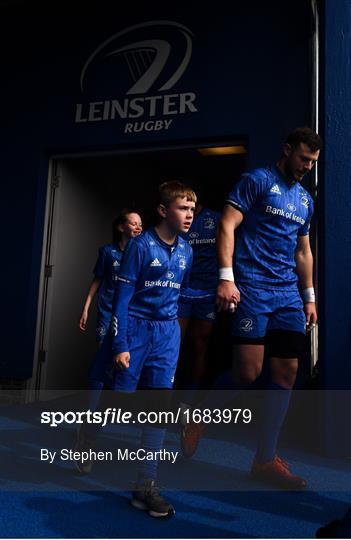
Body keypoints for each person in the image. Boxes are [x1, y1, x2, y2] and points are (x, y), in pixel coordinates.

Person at [181, 127, 322, 489]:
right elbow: (227, 224)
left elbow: (303, 251)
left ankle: (264, 459)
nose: (307, 166)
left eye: (313, 161)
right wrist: (226, 278)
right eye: (304, 158)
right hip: (252, 289)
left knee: (287, 372)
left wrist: (309, 297)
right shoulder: (256, 180)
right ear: (287, 150)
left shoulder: (305, 200)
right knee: (247, 373)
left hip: (288, 294)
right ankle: (199, 415)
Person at [77, 181, 215, 518]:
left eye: (192, 210)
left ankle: (145, 484)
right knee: (117, 403)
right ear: (163, 210)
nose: (189, 215)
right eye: (183, 208)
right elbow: (121, 302)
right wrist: (120, 344)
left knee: (158, 407)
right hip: (134, 330)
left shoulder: (187, 251)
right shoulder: (139, 247)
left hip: (166, 335)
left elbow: (177, 296)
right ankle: (88, 435)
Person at [176, 201, 221, 403]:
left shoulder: (216, 218)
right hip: (180, 290)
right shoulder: (176, 217)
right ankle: (165, 398)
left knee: (199, 344)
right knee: (174, 344)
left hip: (208, 290)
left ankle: (188, 401)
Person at [79, 210, 143, 345]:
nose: (138, 227)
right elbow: (97, 280)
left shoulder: (143, 253)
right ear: (121, 227)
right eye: (133, 223)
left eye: (140, 224)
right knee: (103, 353)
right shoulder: (107, 252)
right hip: (107, 311)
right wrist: (85, 309)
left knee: (123, 356)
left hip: (130, 312)